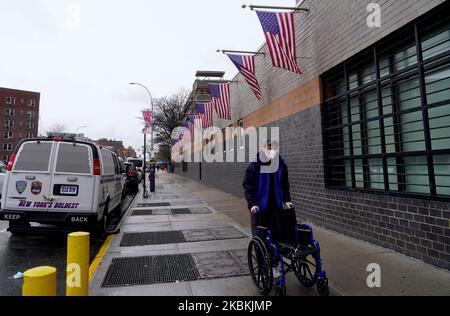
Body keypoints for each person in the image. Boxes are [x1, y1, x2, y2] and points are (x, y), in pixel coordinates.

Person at [242, 140, 294, 237]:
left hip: (276, 205)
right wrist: (252, 203)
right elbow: (247, 185)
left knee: (277, 235)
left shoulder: (281, 164)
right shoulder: (255, 164)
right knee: (261, 236)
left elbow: (285, 185)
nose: (271, 151)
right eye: (269, 148)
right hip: (260, 207)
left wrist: (286, 200)